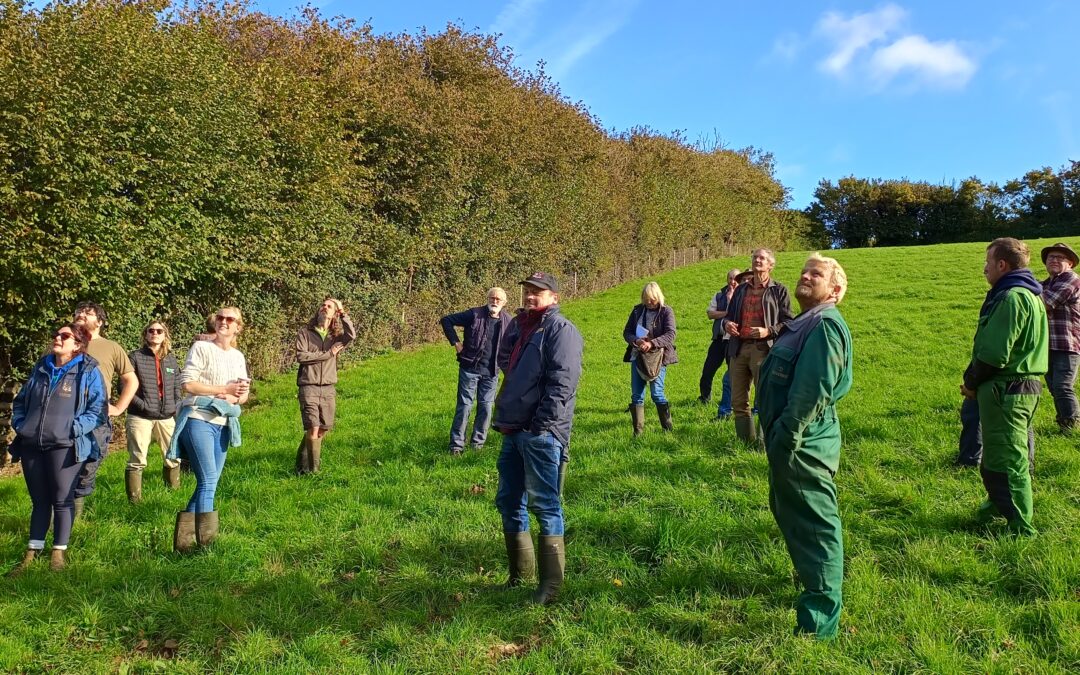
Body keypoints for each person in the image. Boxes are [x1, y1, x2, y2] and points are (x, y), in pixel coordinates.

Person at [757, 253, 852, 639]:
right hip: (789, 440)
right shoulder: (803, 323)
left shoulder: (825, 325)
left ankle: (819, 623)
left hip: (802, 444)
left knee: (815, 527)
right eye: (805, 271)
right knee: (791, 513)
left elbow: (811, 392)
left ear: (836, 289)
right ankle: (812, 579)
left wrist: (786, 437)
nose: (807, 276)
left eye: (817, 273)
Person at [493, 272, 583, 605]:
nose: (531, 296)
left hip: (540, 432)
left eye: (539, 292)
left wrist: (541, 424)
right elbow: (505, 360)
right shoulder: (520, 326)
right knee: (509, 501)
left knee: (545, 504)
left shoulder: (561, 330)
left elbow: (564, 383)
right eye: (528, 291)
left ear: (555, 297)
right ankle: (519, 575)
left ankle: (551, 588)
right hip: (513, 428)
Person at [962, 238, 1047, 536]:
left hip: (1005, 388)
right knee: (1001, 453)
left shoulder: (1012, 296)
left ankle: (1022, 527)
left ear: (1002, 264)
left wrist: (971, 381)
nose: (984, 268)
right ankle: (997, 505)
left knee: (1008, 458)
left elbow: (995, 353)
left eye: (988, 261)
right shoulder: (1031, 295)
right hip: (1019, 387)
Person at [8, 323, 106, 574]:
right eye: (56, 334)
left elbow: (97, 410)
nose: (58, 338)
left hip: (66, 447)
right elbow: (20, 402)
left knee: (62, 501)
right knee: (39, 501)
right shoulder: (41, 367)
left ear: (77, 344)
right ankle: (31, 554)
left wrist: (71, 430)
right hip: (32, 445)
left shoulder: (88, 370)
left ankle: (58, 555)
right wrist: (22, 426)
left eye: (65, 336)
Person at [167, 306, 250, 552]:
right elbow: (187, 384)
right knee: (209, 480)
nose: (224, 321)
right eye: (220, 318)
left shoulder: (238, 356)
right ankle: (206, 545)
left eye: (230, 319)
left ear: (238, 327)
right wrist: (222, 391)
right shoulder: (201, 347)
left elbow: (242, 396)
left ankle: (184, 543)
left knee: (208, 482)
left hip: (224, 423)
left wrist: (238, 396)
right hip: (198, 418)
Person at [71, 301, 138, 517]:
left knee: (89, 466)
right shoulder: (65, 341)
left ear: (99, 322)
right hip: (65, 415)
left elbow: (131, 380)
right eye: (78, 312)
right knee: (59, 467)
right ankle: (56, 521)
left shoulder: (111, 347)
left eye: (88, 313)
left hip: (96, 418)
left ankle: (73, 521)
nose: (81, 314)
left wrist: (118, 407)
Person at [722, 249, 794, 443]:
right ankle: (745, 443)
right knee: (738, 400)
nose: (757, 260)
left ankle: (764, 443)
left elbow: (789, 322)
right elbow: (727, 316)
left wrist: (768, 331)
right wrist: (726, 324)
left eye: (762, 258)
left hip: (764, 349)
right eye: (755, 257)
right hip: (738, 348)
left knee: (764, 399)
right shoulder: (741, 290)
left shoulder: (779, 290)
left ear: (771, 265)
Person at [440, 288, 512, 455]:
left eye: (498, 299)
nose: (494, 301)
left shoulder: (509, 321)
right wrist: (456, 344)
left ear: (504, 303)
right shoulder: (474, 314)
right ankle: (456, 446)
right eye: (492, 298)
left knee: (486, 408)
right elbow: (446, 320)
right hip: (469, 369)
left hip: (492, 372)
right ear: (487, 299)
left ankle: (477, 445)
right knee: (464, 406)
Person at [294, 297, 356, 474]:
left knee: (323, 428)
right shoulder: (305, 333)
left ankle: (300, 466)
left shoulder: (335, 336)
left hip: (328, 387)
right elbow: (301, 357)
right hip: (309, 385)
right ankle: (314, 472)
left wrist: (343, 312)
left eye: (329, 306)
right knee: (313, 426)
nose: (324, 308)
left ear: (334, 313)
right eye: (323, 305)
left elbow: (352, 334)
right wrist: (327, 354)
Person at [125, 320, 183, 502]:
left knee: (173, 457)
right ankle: (135, 503)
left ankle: (173, 495)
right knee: (137, 459)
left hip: (166, 416)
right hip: (140, 416)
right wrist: (144, 406)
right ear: (146, 334)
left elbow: (176, 387)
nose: (155, 333)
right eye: (151, 330)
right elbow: (125, 387)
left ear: (165, 335)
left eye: (159, 331)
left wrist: (175, 406)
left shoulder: (171, 359)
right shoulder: (134, 357)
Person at [623, 281, 678, 435]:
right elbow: (627, 332)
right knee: (636, 395)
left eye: (652, 299)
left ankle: (667, 429)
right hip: (637, 356)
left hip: (658, 358)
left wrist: (652, 343)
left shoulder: (666, 311)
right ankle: (638, 433)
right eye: (646, 299)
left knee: (657, 393)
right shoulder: (637, 311)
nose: (649, 302)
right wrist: (636, 340)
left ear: (658, 297)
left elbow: (671, 334)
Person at [1039, 242, 1080, 433]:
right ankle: (1064, 422)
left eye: (1060, 257)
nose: (1054, 260)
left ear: (1070, 263)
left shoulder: (1071, 279)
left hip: (1066, 343)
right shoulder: (1045, 284)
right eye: (1051, 257)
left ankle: (1072, 425)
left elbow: (1046, 303)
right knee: (1055, 388)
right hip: (1047, 345)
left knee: (1063, 387)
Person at [698, 269, 740, 415]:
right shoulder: (719, 295)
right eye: (730, 278)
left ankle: (732, 403)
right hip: (719, 339)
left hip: (734, 341)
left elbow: (738, 314)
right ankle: (704, 397)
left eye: (735, 279)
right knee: (708, 370)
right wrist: (726, 312)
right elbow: (710, 314)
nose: (732, 281)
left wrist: (727, 306)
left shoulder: (742, 295)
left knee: (732, 373)